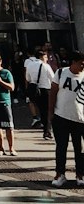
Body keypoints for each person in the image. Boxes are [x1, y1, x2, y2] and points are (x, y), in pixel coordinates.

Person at [49, 47, 84, 187]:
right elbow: (52, 93)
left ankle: (80, 174)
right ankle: (60, 174)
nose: (83, 66)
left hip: (80, 118)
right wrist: (50, 113)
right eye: (81, 63)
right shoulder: (61, 73)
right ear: (73, 62)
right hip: (61, 116)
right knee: (61, 147)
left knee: (80, 149)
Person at [25, 44, 55, 140]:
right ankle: (47, 131)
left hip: (35, 90)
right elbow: (53, 78)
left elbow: (27, 78)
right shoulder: (45, 66)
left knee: (42, 110)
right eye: (46, 57)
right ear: (42, 57)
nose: (47, 59)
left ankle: (45, 129)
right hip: (46, 89)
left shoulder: (29, 65)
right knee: (48, 110)